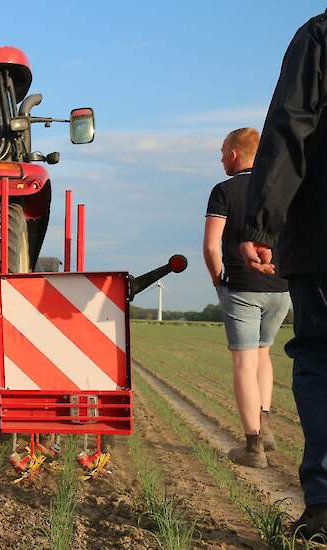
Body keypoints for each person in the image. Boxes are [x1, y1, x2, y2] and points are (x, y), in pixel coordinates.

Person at [241, 10, 327, 538]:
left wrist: (263, 223)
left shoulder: (319, 36)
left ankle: (322, 507)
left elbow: (292, 126)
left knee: (319, 357)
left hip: (321, 238)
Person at [204, 127, 291, 469]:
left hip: (241, 286)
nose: (222, 157)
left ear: (236, 154)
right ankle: (265, 426)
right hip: (281, 286)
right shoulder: (282, 188)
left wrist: (218, 280)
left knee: (244, 363)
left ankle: (253, 445)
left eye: (223, 151)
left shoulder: (224, 190)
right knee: (263, 354)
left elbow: (212, 245)